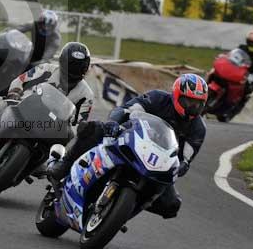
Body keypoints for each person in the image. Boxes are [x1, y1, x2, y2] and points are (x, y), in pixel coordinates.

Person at [48, 73, 208, 220]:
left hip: (158, 163)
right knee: (94, 129)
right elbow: (128, 108)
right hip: (132, 140)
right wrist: (114, 123)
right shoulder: (158, 98)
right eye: (189, 101)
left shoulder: (198, 128)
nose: (192, 107)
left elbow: (186, 157)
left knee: (171, 205)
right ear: (177, 95)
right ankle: (64, 165)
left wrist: (183, 165)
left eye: (198, 104)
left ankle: (124, 211)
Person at [0, 42, 94, 145]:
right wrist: (15, 93)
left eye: (79, 68)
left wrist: (73, 131)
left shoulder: (86, 95)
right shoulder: (46, 69)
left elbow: (79, 123)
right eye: (71, 66)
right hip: (25, 108)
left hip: (51, 127)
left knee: (63, 149)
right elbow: (20, 80)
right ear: (63, 62)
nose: (73, 72)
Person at [224, 30, 253, 118]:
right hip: (237, 72)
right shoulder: (242, 48)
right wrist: (225, 58)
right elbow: (232, 55)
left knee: (245, 92)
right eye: (250, 41)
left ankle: (231, 113)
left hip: (251, 78)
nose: (252, 43)